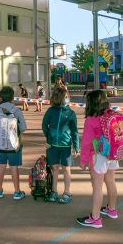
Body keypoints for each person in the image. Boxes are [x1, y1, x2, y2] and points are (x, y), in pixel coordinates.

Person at [77, 90, 120, 229]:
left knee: (97, 187)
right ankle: (112, 209)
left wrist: (83, 161)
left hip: (98, 156)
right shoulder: (110, 115)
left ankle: (95, 218)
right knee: (111, 181)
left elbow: (87, 142)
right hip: (112, 153)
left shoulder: (91, 119)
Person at [0, 86, 27, 200]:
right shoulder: (17, 111)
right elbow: (23, 128)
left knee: (0, 166)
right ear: (12, 97)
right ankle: (17, 192)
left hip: (0, 145)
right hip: (14, 145)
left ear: (0, 97)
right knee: (14, 168)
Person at [42, 87, 80, 204]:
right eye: (66, 96)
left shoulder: (71, 113)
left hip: (66, 146)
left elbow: (74, 131)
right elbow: (44, 125)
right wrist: (49, 138)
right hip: (52, 146)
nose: (67, 98)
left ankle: (67, 192)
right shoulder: (51, 111)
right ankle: (54, 191)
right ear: (59, 98)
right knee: (55, 168)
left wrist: (76, 147)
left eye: (68, 96)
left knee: (66, 169)